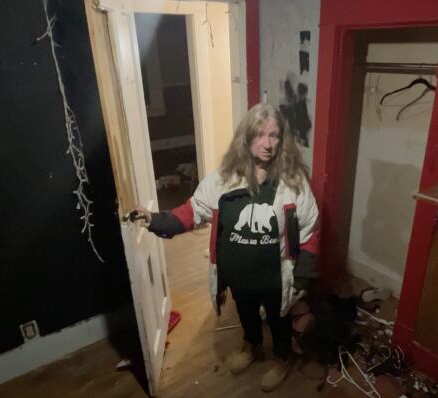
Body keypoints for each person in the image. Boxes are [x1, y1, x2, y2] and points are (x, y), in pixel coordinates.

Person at [133, 103, 319, 392]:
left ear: (282, 140)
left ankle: (281, 358)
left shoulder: (294, 183)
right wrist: (153, 220)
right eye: (259, 135)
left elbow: (310, 231)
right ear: (246, 138)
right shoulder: (224, 179)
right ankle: (252, 346)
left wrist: (303, 277)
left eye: (274, 135)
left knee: (278, 318)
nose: (267, 144)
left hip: (276, 275)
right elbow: (191, 211)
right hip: (238, 274)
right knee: (245, 312)